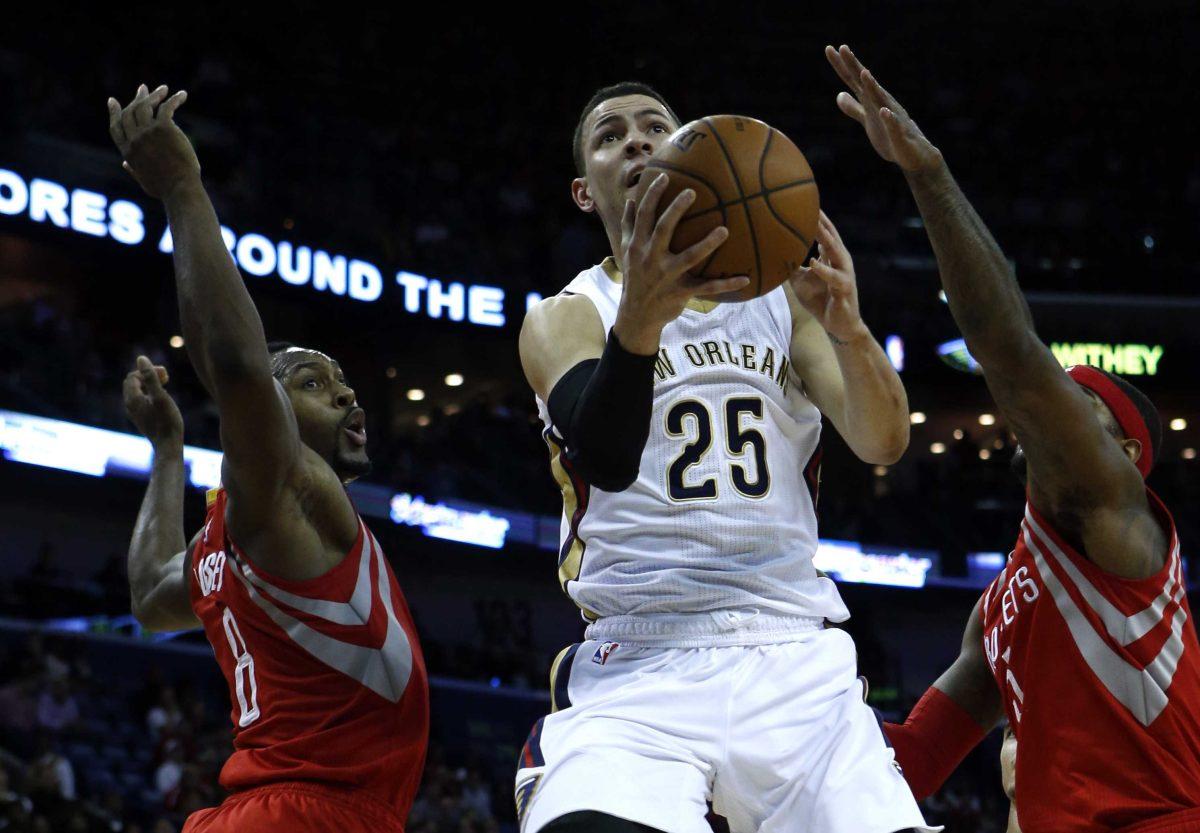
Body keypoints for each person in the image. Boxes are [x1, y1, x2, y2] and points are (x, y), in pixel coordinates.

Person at [514, 82, 931, 833]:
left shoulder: (784, 300)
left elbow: (883, 440)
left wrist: (849, 327)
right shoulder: (565, 315)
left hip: (793, 652)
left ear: (691, 153)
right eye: (612, 135)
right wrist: (643, 311)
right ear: (584, 191)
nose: (638, 141)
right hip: (640, 655)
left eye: (656, 128)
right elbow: (605, 455)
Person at [824, 43, 1200, 832]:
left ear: (1126, 453)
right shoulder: (1000, 607)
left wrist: (928, 177)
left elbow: (1009, 347)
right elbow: (914, 762)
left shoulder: (1112, 514)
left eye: (1079, 404)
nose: (1053, 410)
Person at [108, 84, 428, 832]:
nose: (349, 399)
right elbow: (241, 368)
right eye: (316, 384)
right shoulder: (295, 487)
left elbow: (153, 599)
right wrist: (184, 190)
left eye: (347, 385)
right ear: (277, 413)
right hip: (310, 813)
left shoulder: (230, 540)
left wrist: (167, 449)